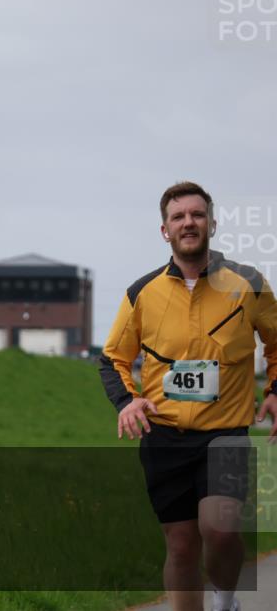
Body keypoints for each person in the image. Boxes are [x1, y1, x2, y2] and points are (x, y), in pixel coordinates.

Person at [99, 181, 277, 611]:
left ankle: (226, 598)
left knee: (220, 529)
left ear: (212, 224)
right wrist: (127, 402)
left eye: (196, 215)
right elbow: (113, 360)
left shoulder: (249, 283)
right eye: (178, 217)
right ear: (165, 231)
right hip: (164, 436)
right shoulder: (142, 293)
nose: (188, 223)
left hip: (227, 433)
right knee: (180, 546)